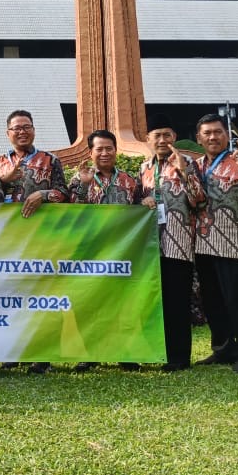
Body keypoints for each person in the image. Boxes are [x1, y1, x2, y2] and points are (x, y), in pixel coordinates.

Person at [0, 110, 69, 373]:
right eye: (16, 128)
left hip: (43, 238)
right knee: (12, 296)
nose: (21, 132)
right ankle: (13, 353)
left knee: (43, 297)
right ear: (8, 133)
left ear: (33, 130)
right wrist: (0, 181)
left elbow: (64, 194)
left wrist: (43, 194)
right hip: (10, 240)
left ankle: (42, 356)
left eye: (26, 127)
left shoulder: (50, 160)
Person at [67, 129, 141, 373]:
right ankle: (90, 354)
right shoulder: (79, 179)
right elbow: (71, 212)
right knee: (88, 306)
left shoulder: (130, 182)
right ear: (91, 153)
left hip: (122, 254)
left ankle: (126, 353)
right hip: (89, 255)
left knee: (123, 306)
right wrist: (84, 186)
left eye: (109, 148)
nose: (105, 153)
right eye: (99, 149)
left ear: (116, 150)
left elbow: (140, 213)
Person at [193, 114, 238, 374]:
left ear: (227, 134)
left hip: (237, 244)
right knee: (213, 302)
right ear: (199, 138)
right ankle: (222, 349)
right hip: (203, 243)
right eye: (207, 133)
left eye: (218, 132)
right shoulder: (195, 166)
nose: (213, 137)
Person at [137, 112, 206, 372]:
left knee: (178, 301)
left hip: (179, 243)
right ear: (148, 139)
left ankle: (179, 357)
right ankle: (160, 352)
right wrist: (143, 201)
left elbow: (200, 200)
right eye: (157, 136)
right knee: (157, 302)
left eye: (167, 135)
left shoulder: (189, 162)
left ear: (174, 137)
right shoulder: (144, 168)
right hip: (151, 245)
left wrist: (185, 173)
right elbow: (138, 201)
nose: (163, 140)